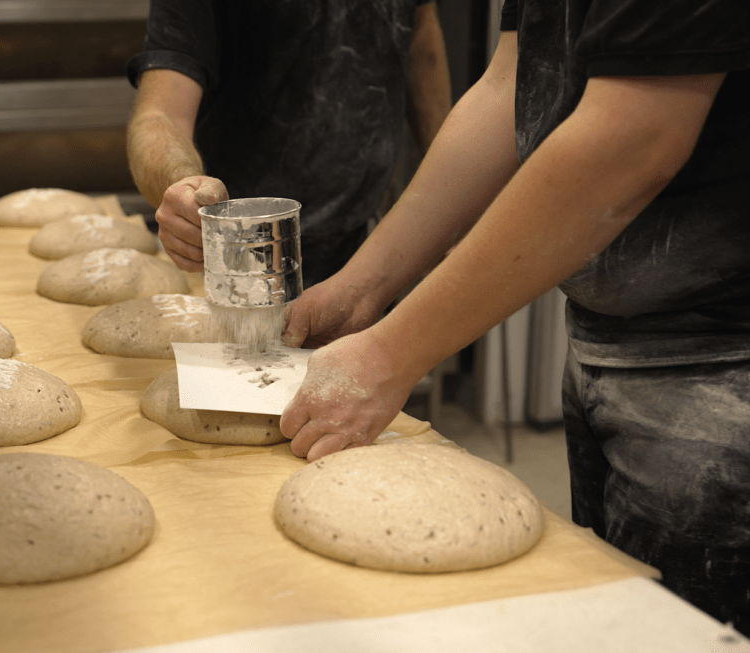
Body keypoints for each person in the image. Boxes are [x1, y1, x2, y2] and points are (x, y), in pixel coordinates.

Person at [278, 0, 750, 633]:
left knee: (690, 634)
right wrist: (366, 286)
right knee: (620, 621)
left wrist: (391, 353)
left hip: (725, 364)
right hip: (603, 344)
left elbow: (633, 136)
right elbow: (513, 86)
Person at [125, 0, 452, 286]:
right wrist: (184, 188)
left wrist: (456, 192)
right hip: (239, 260)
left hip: (368, 242)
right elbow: (159, 114)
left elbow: (421, 41)